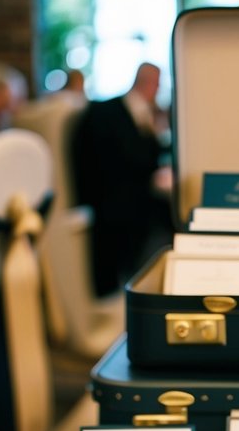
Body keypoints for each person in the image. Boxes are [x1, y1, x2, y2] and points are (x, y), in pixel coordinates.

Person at [71, 61, 173, 297]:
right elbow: (106, 163)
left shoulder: (146, 114)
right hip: (114, 205)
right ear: (150, 83)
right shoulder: (105, 112)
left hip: (133, 202)